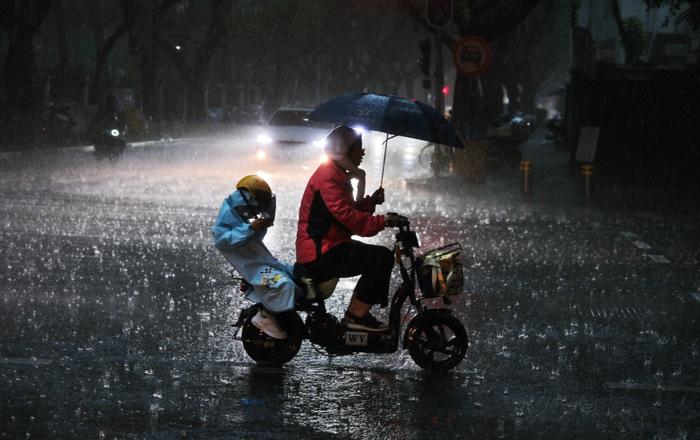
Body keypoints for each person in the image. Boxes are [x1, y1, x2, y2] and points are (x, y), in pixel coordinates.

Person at [294, 125, 402, 332]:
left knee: (379, 257)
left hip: (330, 246)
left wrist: (371, 203)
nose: (362, 152)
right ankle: (356, 316)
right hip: (320, 252)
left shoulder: (337, 175)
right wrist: (383, 221)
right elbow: (347, 218)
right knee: (381, 258)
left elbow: (348, 210)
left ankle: (357, 314)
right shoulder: (328, 178)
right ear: (343, 150)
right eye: (358, 147)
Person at [212, 175, 297, 339]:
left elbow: (257, 229)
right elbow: (222, 240)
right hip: (256, 273)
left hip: (266, 265)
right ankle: (265, 316)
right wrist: (250, 227)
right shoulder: (228, 228)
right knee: (284, 284)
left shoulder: (240, 221)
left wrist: (261, 221)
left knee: (298, 274)